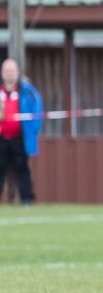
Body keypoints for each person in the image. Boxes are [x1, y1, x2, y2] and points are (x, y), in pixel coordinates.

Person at [0, 59, 43, 206]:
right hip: (2, 138)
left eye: (12, 71)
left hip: (20, 138)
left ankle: (26, 199)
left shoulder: (26, 92)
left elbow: (36, 111)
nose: (9, 75)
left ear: (17, 73)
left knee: (22, 169)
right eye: (7, 71)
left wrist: (32, 131)